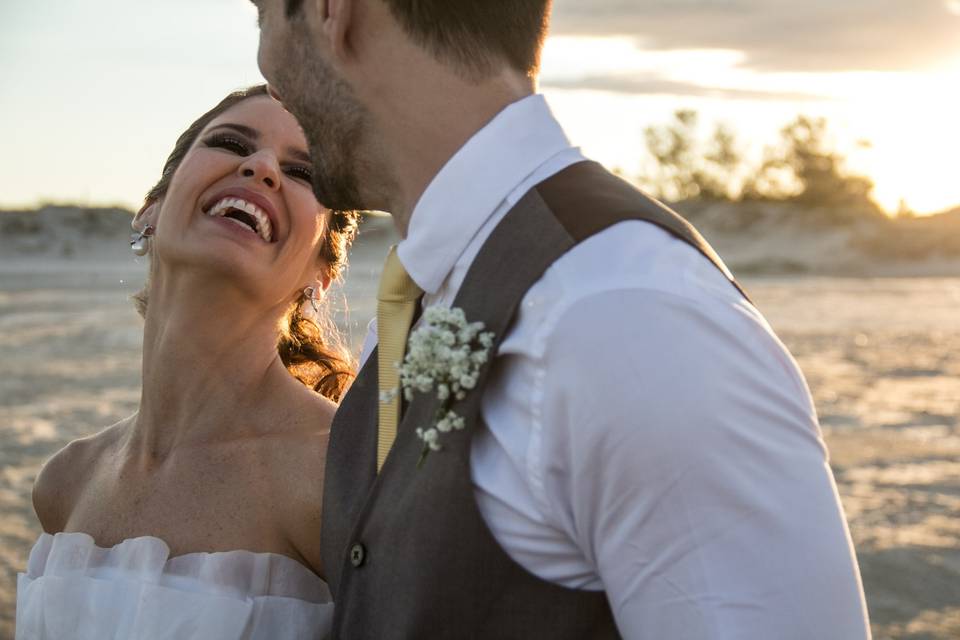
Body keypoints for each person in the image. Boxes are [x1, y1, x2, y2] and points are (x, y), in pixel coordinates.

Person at [253, 1, 872, 638]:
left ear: (333, 11)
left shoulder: (625, 312)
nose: (267, 74)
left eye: (263, 17)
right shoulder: (418, 298)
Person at [16, 85, 359, 639]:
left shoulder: (339, 475)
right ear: (151, 207)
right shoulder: (65, 482)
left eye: (303, 173)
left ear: (323, 271)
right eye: (229, 142)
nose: (263, 167)